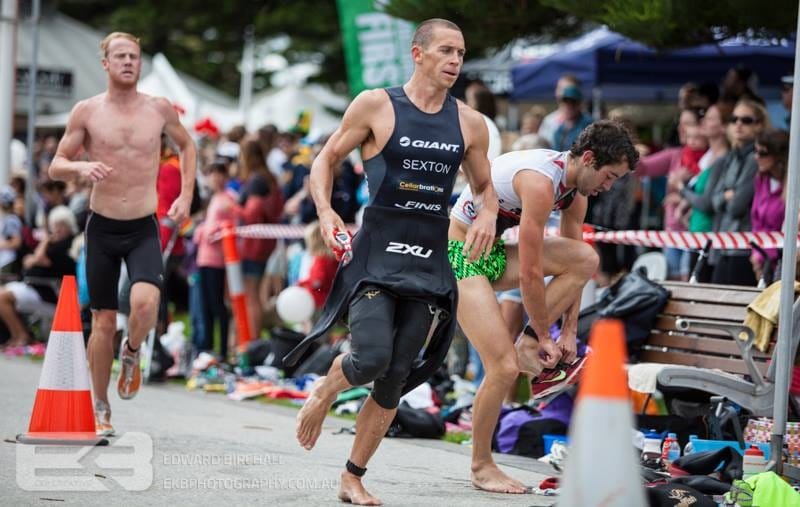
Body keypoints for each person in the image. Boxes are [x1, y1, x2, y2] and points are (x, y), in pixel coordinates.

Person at [282, 19, 497, 505]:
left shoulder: (469, 122)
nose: (455, 61)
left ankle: (353, 475)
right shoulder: (377, 104)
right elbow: (326, 158)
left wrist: (485, 215)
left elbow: (486, 187)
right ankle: (325, 390)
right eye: (446, 51)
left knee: (397, 373)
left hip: (429, 255)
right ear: (417, 54)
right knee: (371, 357)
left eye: (461, 53)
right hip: (378, 249)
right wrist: (325, 210)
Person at [449, 120, 639, 493]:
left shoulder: (576, 194)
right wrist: (543, 333)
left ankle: (527, 344)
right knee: (503, 366)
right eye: (608, 176)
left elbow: (576, 267)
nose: (608, 187)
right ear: (587, 158)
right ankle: (481, 465)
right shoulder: (540, 182)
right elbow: (531, 275)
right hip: (457, 254)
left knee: (586, 257)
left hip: (489, 253)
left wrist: (567, 330)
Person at [49, 32, 196, 436]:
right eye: (120, 56)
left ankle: (131, 352)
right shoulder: (87, 112)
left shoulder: (159, 109)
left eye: (134, 56)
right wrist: (80, 168)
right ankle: (101, 407)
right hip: (102, 226)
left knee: (145, 305)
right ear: (106, 64)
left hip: (143, 227)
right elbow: (56, 165)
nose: (128, 61)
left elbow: (187, 147)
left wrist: (185, 195)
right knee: (102, 322)